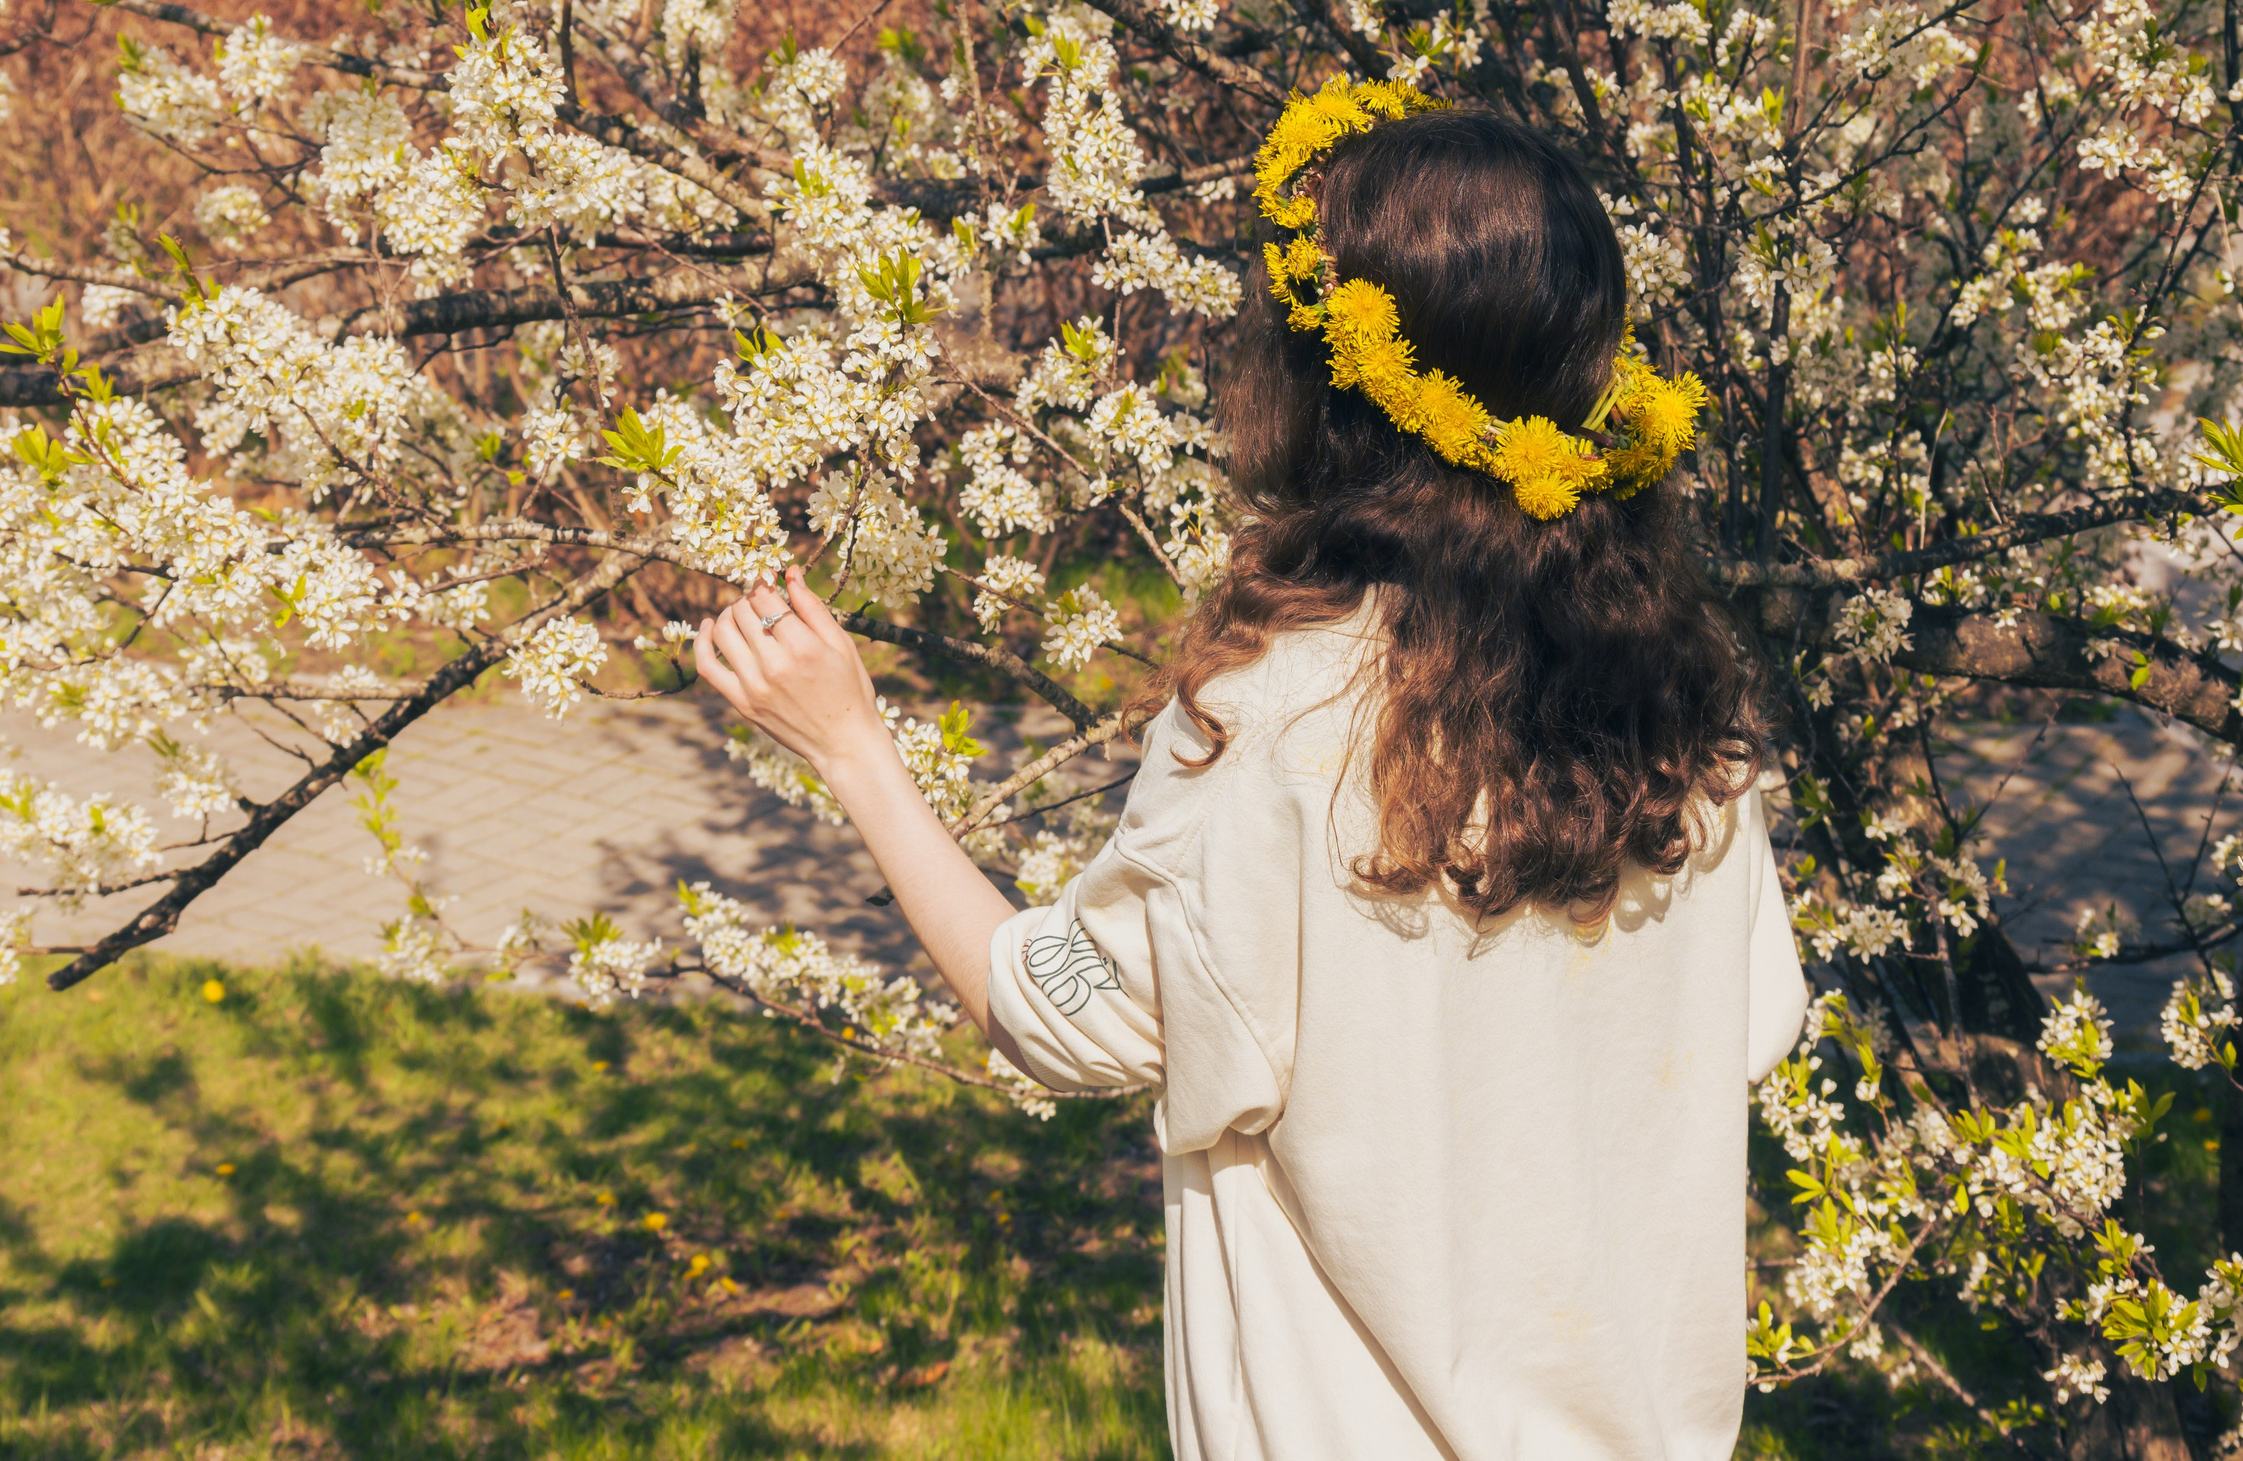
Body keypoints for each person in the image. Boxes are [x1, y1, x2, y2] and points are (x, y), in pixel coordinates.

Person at [696, 82, 1810, 1460]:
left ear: (1328, 382)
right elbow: (1750, 1027)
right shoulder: (1690, 716)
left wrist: (854, 748)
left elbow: (1062, 1023)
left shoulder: (1281, 718)